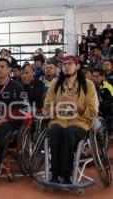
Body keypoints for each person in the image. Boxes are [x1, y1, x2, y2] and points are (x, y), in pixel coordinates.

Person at [43, 55, 99, 184]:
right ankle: (56, 173)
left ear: (77, 66)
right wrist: (56, 108)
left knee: (69, 132)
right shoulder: (55, 84)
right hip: (59, 120)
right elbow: (46, 108)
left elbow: (92, 111)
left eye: (69, 64)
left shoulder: (88, 84)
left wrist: (73, 104)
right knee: (56, 131)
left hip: (80, 122)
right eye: (64, 64)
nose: (66, 66)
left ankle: (66, 174)